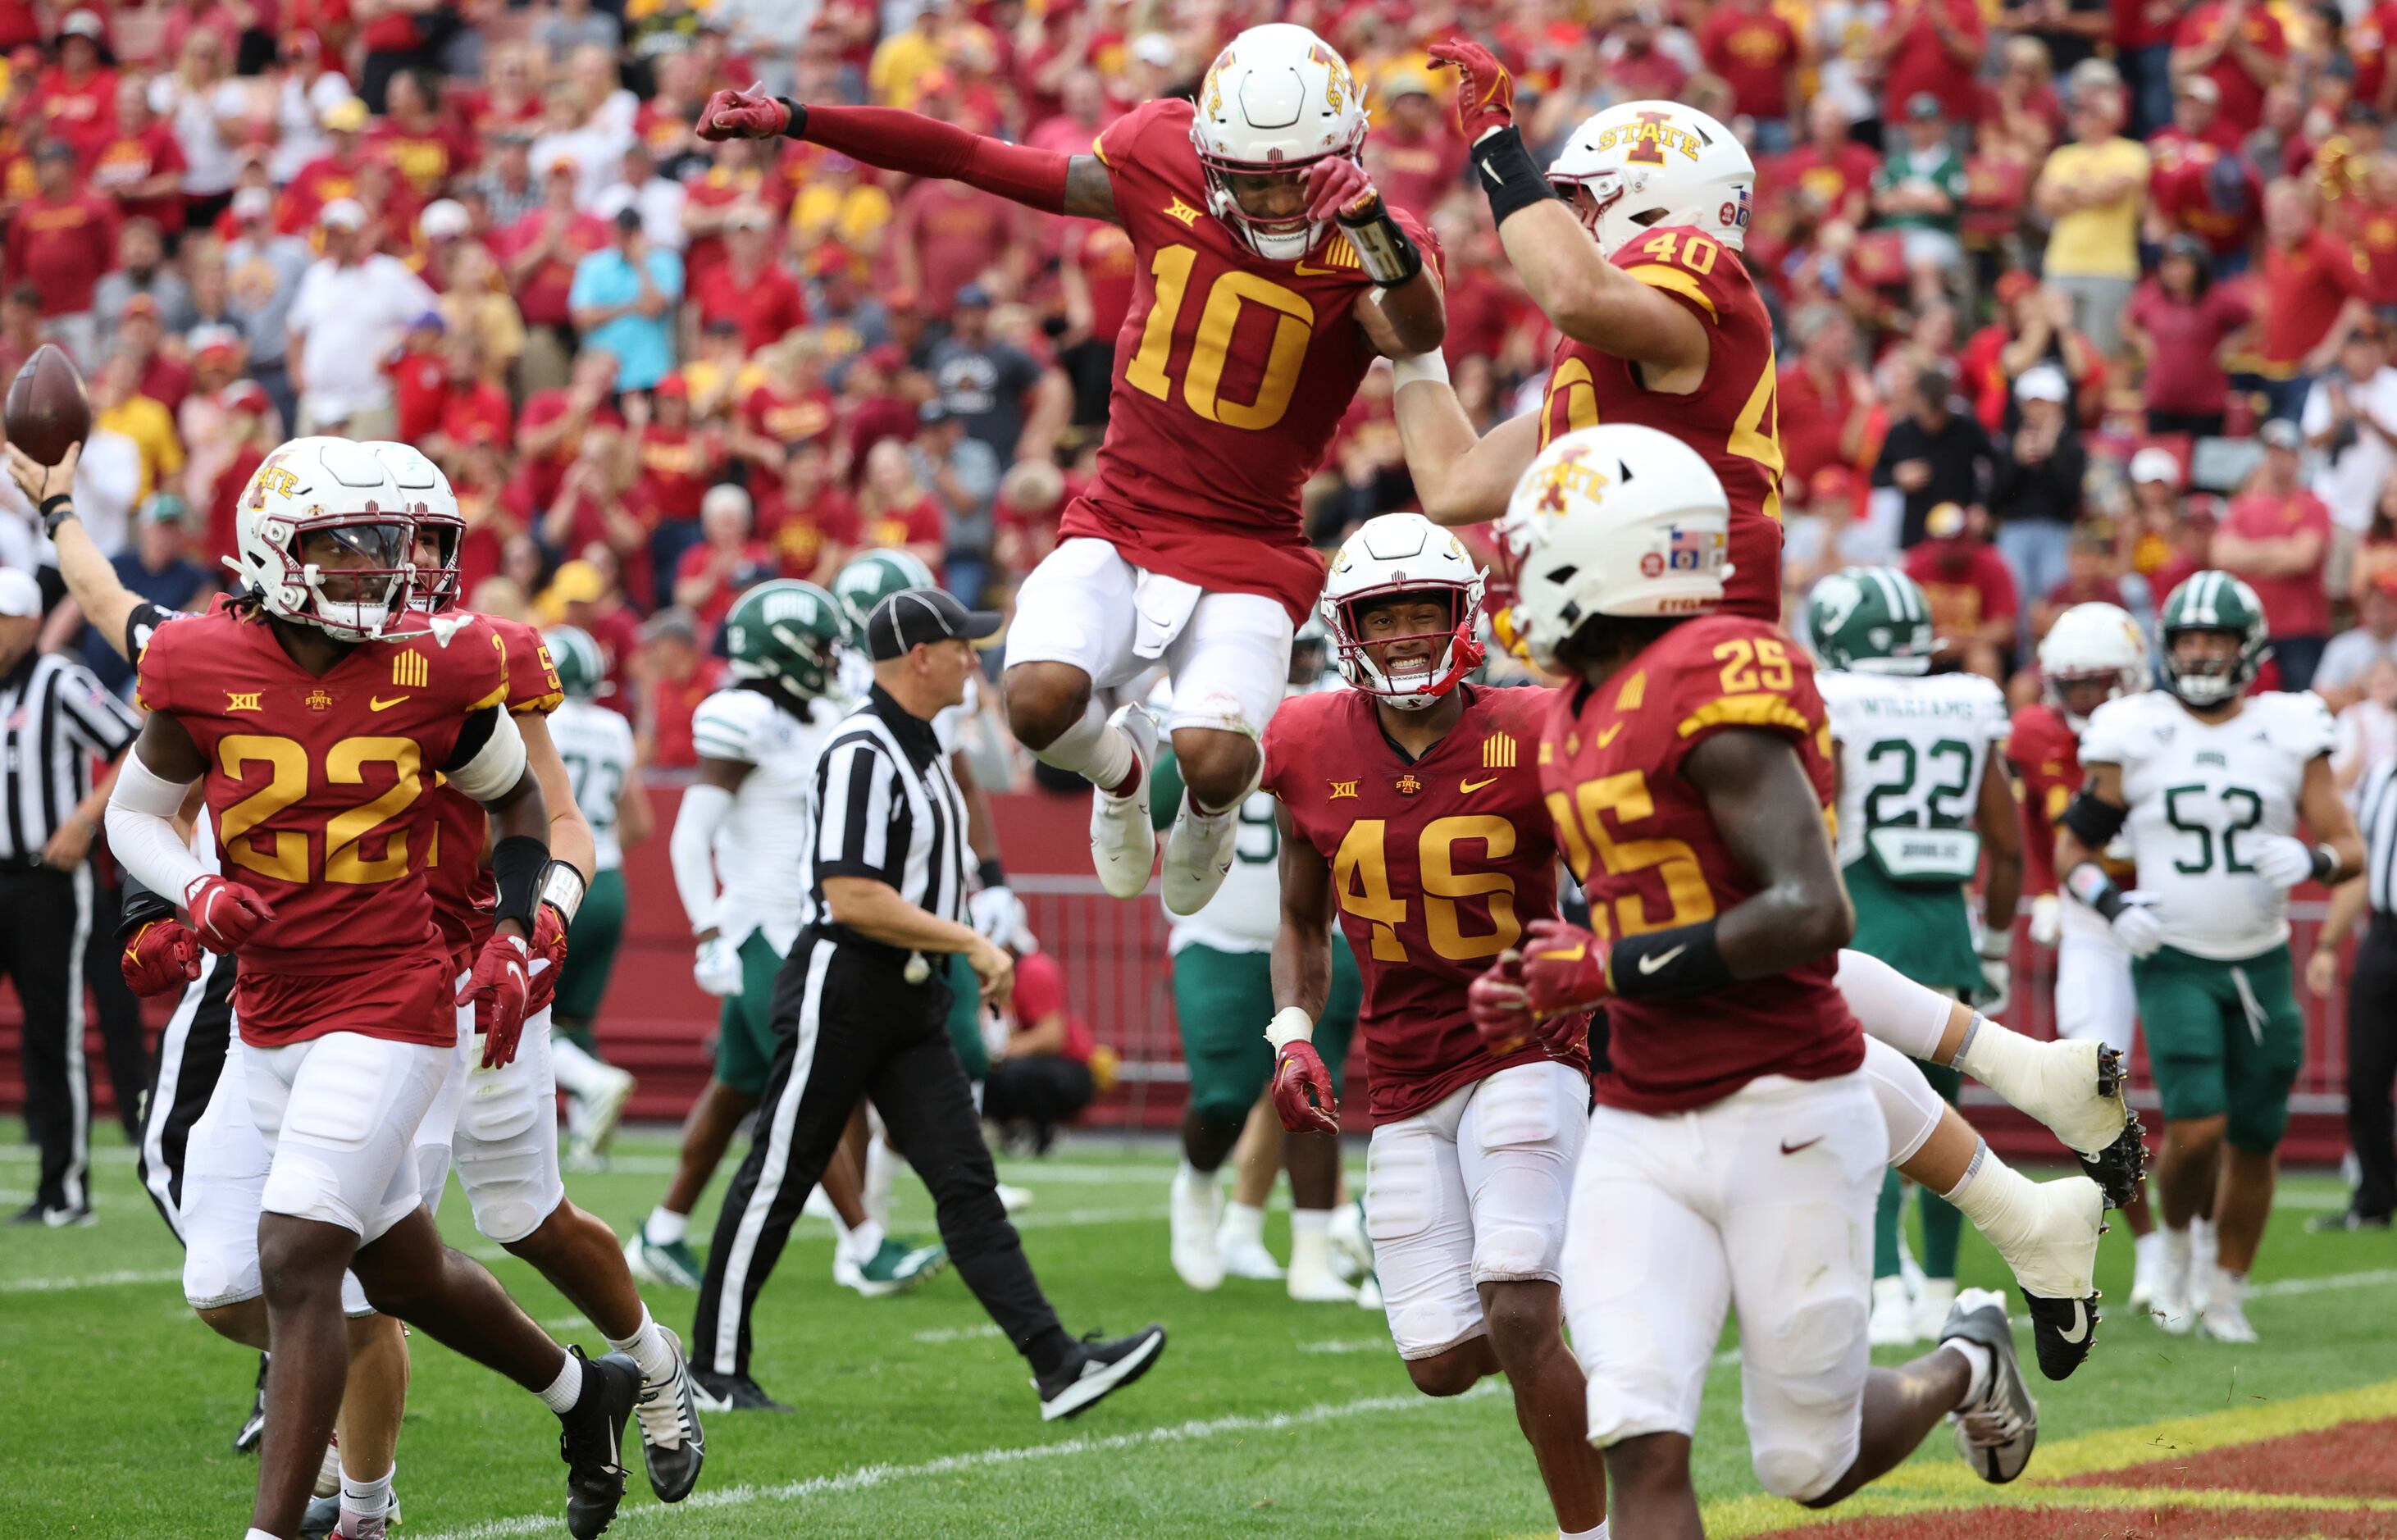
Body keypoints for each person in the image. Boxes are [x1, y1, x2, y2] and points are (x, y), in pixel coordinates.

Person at [695, 21, 1445, 918]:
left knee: (1215, 754)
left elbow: (1420, 330)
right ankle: (1121, 774)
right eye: (1253, 179)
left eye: (1299, 178)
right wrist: (798, 116)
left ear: (1346, 156)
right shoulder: (1159, 160)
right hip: (1123, 517)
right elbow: (970, 157)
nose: (1280, 202)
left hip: (1252, 537)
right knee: (1037, 700)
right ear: (1210, 157)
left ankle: (1206, 810)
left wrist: (1363, 225)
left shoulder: (1380, 238)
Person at [1481, 423, 2041, 1529]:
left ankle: (1962, 1365)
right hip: (1638, 1118)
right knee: (1637, 1434)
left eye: (1535, 545)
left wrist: (1606, 966)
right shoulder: (1564, 711)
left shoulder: (1707, 678)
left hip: (1782, 1103)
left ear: (1610, 554)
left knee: (1805, 1464)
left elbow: (1811, 909)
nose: (1516, 573)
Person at [90, 435, 642, 1540]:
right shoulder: (200, 659)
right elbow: (133, 813)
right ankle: (585, 1392)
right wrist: (187, 895)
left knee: (302, 1256)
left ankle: (298, 1523)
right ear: (273, 551)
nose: (386, 572)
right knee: (352, 1276)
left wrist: (505, 930)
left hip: (393, 995)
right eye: (352, 548)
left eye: (396, 547)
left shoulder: (438, 661)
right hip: (269, 1009)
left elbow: (519, 806)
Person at [690, 586, 1169, 1419]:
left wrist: (964, 933)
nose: (974, 660)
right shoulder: (861, 749)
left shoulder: (918, 747)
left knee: (965, 1180)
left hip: (907, 994)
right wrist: (972, 943)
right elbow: (849, 894)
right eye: (962, 646)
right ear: (920, 655)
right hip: (843, 983)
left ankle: (1057, 1365)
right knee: (781, 1169)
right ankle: (712, 1367)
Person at [378, 440, 709, 1510]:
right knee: (375, 1238)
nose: (395, 563)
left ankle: (650, 1359)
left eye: (411, 540)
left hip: (479, 959)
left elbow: (559, 816)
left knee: (522, 1214)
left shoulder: (487, 651)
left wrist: (536, 922)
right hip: (357, 969)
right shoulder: (281, 652)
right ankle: (351, 1482)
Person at [1265, 513, 1606, 1538]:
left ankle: (1597, 1531)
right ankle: (1600, 1315)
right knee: (1440, 1364)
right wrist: (1292, 1033)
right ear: (1346, 627)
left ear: (1465, 617)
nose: (1407, 632)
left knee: (1514, 1302)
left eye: (1424, 610)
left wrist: (1601, 968)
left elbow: (1621, 877)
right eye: (1384, 614)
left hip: (1527, 1043)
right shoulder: (1301, 738)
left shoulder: (1540, 723)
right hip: (1402, 1068)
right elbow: (1297, 914)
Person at [2055, 571, 2364, 1342]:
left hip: (2258, 963)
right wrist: (2109, 903)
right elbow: (2073, 847)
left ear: (2246, 647)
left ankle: (2225, 1290)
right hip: (2174, 956)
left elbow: (2349, 846)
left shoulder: (2287, 727)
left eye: (2213, 640)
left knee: (2258, 1133)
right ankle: (2178, 1249)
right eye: (2187, 640)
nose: (2198, 654)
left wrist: (2314, 864)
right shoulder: (2137, 729)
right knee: (2195, 1126)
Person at [628, 579, 941, 1307]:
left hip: (795, 926)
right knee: (818, 1083)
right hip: (760, 930)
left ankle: (664, 1229)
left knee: (737, 1090)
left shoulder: (811, 719)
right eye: (824, 645)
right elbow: (689, 837)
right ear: (787, 651)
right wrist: (708, 930)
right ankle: (864, 1245)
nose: (835, 658)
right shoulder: (744, 719)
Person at [1391, 81, 1787, 622]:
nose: (1571, 220)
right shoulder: (1615, 366)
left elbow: (1574, 294)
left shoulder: (1698, 261)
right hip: (1619, 620)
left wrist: (1497, 148)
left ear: (1654, 202)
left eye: (1586, 198)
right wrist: (1413, 318)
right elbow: (1453, 484)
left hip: (1695, 620)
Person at [1807, 566, 2022, 1348]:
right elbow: (2005, 846)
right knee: (1943, 1123)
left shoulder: (1835, 704)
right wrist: (1994, 946)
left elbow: (1815, 831)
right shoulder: (1965, 700)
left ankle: (1885, 1288)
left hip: (1866, 928)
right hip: (1943, 933)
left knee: (1864, 1121)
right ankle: (1937, 1288)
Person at [1152, 617, 1362, 1303]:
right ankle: (1198, 1181)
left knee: (1314, 1092)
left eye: (1303, 655)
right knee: (1221, 1091)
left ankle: (1310, 1253)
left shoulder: (1339, 722)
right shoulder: (1211, 715)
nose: (1294, 671)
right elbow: (1155, 799)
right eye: (1282, 657)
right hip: (1218, 933)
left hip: (1316, 933)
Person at [2014, 603, 2170, 1310]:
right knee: (2088, 1087)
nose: (2080, 701)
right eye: (2070, 686)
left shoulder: (2166, 726)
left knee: (2200, 1096)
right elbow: (2028, 821)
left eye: (2095, 685)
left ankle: (2194, 1237)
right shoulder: (2034, 733)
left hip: (2168, 915)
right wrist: (2046, 888)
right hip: (2090, 923)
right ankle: (2154, 1240)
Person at [0, 564, 139, 1227]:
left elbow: (134, 744)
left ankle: (65, 1188)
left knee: (52, 1030)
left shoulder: (59, 678)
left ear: (29, 623)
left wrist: (85, 820)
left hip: (46, 879)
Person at [540, 623, 648, 1169]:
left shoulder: (540, 723)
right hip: (608, 878)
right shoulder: (614, 726)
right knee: (576, 1018)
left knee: (525, 1011)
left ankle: (593, 1082)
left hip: (555, 878)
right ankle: (589, 1141)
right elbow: (639, 821)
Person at [2306, 755, 2397, 1231]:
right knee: (2365, 1077)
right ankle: (2374, 1200)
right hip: (2384, 936)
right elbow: (2362, 866)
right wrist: (2326, 944)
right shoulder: (2383, 773)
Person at [2214, 419, 2332, 691]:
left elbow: (2301, 559)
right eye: (2273, 452)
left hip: (2300, 631)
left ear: (2298, 458)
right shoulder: (2243, 506)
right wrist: (2280, 549)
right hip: (2250, 629)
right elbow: (2222, 555)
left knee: (2300, 709)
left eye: (2286, 453)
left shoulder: (2313, 505)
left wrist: (2249, 553)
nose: (2278, 460)